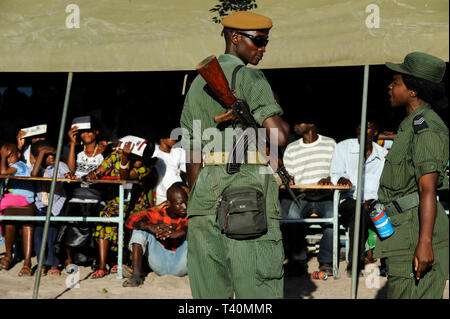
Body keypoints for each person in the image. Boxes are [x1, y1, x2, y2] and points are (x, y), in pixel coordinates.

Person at [180, 11, 290, 298]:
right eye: (260, 41)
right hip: (248, 184)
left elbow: (192, 153)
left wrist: (198, 201)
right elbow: (278, 136)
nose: (263, 48)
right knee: (256, 286)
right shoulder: (250, 76)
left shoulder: (195, 86)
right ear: (236, 38)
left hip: (203, 188)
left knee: (210, 288)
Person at [373, 52, 449, 299]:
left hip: (416, 231)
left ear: (414, 91)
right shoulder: (410, 124)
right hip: (402, 228)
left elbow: (428, 188)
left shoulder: (427, 127)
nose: (390, 87)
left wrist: (424, 242)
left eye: (396, 82)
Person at [89, 139, 156, 279]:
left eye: (143, 159)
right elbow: (99, 170)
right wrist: (94, 174)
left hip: (136, 203)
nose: (140, 161)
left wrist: (125, 159)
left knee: (131, 224)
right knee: (104, 220)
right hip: (115, 201)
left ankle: (124, 262)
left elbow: (124, 177)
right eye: (138, 158)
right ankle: (102, 266)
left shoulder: (147, 167)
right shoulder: (116, 155)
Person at [329, 120, 388, 277]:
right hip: (349, 200)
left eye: (367, 127)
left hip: (373, 202)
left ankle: (388, 264)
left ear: (375, 132)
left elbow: (385, 184)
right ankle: (355, 265)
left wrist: (372, 201)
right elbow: (334, 174)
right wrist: (341, 178)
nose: (361, 130)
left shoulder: (383, 155)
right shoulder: (344, 147)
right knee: (357, 211)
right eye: (359, 126)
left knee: (385, 212)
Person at [281, 116, 337, 276]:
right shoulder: (291, 148)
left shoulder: (330, 143)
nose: (295, 125)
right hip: (301, 195)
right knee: (292, 218)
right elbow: (289, 175)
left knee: (332, 219)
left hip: (325, 195)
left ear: (311, 124)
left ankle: (326, 262)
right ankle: (299, 261)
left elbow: (338, 169)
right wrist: (287, 180)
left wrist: (330, 178)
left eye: (299, 122)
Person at [55, 116, 106, 268]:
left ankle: (96, 257)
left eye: (89, 131)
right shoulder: (76, 149)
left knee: (95, 215)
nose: (86, 135)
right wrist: (71, 142)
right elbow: (71, 170)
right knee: (71, 212)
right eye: (83, 132)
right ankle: (69, 258)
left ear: (96, 132)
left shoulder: (106, 150)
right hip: (76, 194)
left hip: (96, 194)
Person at [122, 184, 189, 287]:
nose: (184, 207)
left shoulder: (188, 214)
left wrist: (177, 233)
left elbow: (192, 227)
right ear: (168, 204)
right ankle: (136, 275)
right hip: (159, 262)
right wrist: (151, 227)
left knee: (195, 232)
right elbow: (130, 220)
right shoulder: (157, 213)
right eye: (180, 204)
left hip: (180, 263)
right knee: (139, 229)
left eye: (186, 202)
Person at [31, 140, 75, 276]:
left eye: (52, 155)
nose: (50, 158)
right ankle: (42, 263)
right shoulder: (38, 168)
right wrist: (43, 152)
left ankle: (54, 264)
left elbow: (68, 175)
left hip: (56, 205)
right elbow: (33, 175)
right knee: (39, 234)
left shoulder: (59, 165)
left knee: (52, 234)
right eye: (46, 155)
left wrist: (69, 175)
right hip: (41, 204)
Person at [0, 143, 35, 276]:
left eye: (10, 156)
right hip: (16, 198)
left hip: (23, 198)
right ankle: (8, 255)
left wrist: (3, 156)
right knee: (7, 215)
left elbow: (3, 173)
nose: (8, 160)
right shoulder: (15, 163)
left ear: (18, 155)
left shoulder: (18, 165)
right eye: (6, 157)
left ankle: (27, 262)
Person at [153, 129, 186, 205]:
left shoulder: (178, 151)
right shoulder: (155, 152)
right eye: (171, 137)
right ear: (162, 138)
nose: (174, 139)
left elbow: (185, 170)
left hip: (178, 194)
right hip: (160, 195)